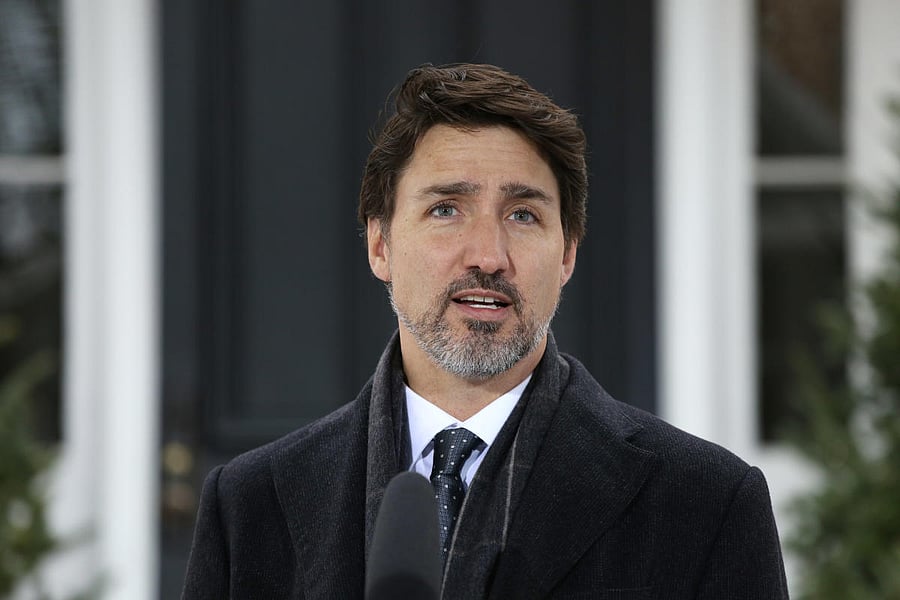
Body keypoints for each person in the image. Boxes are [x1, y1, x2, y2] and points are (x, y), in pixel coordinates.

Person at [182, 63, 789, 599]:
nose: (489, 255)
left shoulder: (704, 504)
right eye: (446, 209)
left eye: (523, 215)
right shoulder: (249, 507)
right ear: (380, 245)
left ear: (568, 253)